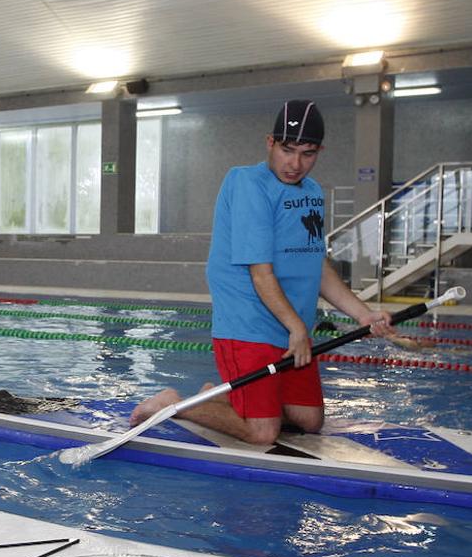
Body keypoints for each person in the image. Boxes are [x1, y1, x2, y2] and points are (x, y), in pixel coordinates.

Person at [130, 100, 395, 446]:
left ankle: (224, 397)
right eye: (287, 150)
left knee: (309, 420)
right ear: (270, 142)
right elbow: (261, 274)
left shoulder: (312, 192)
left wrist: (364, 314)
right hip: (249, 324)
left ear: (320, 151)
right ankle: (173, 404)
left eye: (307, 153)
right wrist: (298, 328)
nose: (295, 164)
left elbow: (317, 266)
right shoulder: (248, 184)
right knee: (263, 432)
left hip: (288, 328)